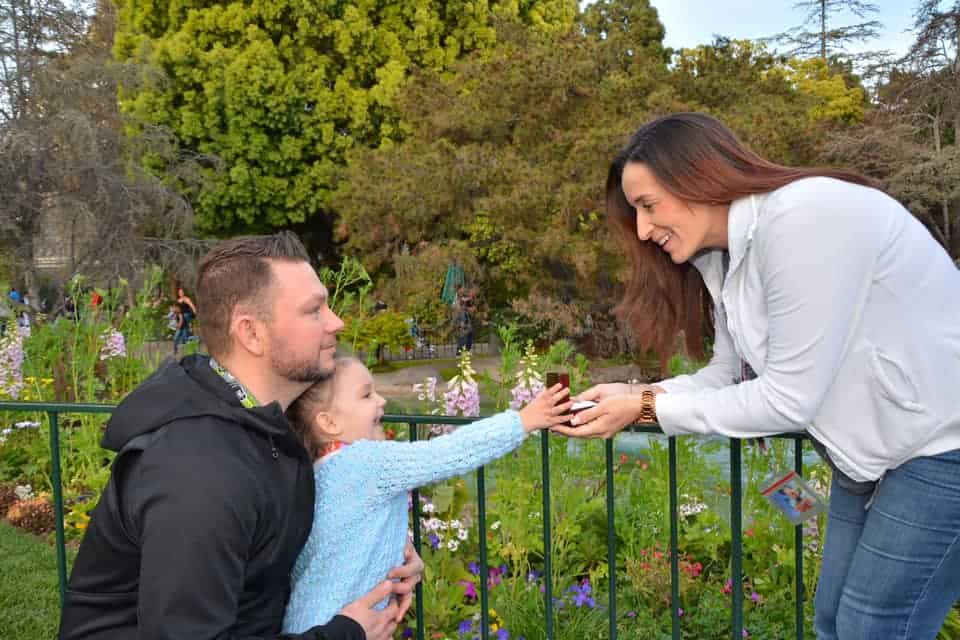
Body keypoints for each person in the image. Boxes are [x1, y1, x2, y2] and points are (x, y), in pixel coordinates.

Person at [552, 113, 960, 639]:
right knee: (834, 621)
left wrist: (648, 408)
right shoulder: (725, 262)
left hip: (940, 449)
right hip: (877, 461)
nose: (642, 230)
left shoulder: (803, 218)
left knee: (872, 627)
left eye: (648, 206)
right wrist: (637, 395)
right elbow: (729, 373)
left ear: (698, 178)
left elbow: (788, 400)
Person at [59, 232, 423, 640]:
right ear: (251, 333)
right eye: (314, 310)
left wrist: (384, 555)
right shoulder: (197, 472)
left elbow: (273, 554)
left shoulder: (266, 425)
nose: (336, 322)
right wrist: (345, 634)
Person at [282, 356, 573, 632]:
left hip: (312, 623)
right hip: (337, 627)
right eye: (366, 395)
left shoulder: (320, 471)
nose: (381, 400)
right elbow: (449, 452)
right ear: (329, 423)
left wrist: (403, 549)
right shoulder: (365, 463)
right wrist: (524, 420)